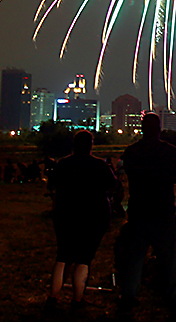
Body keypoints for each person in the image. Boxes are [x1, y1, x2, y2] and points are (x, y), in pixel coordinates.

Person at [114, 113, 176, 316]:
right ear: (160, 128)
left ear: (142, 128)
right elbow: (175, 178)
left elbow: (129, 173)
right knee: (170, 260)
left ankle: (128, 298)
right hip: (163, 211)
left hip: (138, 212)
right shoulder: (170, 151)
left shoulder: (132, 152)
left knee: (134, 259)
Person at [46, 130, 117, 309]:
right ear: (91, 145)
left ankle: (53, 296)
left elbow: (52, 185)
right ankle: (77, 299)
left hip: (65, 216)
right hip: (92, 217)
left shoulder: (63, 164)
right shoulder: (99, 166)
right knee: (83, 259)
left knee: (62, 256)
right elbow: (113, 185)